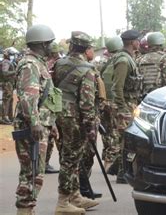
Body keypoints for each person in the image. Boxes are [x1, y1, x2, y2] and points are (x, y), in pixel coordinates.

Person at [13, 24, 59, 215]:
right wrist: (35, 123)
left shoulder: (38, 63)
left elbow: (45, 99)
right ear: (41, 44)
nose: (52, 46)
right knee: (31, 174)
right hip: (31, 128)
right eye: (49, 43)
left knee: (35, 173)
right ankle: (24, 211)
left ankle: (28, 210)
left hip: (39, 124)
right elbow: (27, 98)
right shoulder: (30, 65)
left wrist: (52, 123)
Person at [53, 31, 100, 213]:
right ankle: (63, 202)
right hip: (74, 117)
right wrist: (90, 126)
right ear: (87, 48)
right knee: (71, 159)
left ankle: (75, 196)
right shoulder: (87, 68)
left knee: (67, 155)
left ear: (71, 45)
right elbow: (87, 101)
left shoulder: (59, 63)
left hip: (58, 113)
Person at [112, 29, 142, 184]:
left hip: (131, 103)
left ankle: (120, 170)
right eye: (138, 39)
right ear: (132, 42)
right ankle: (121, 173)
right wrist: (122, 108)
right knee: (125, 140)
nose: (140, 42)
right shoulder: (123, 60)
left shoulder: (130, 58)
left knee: (127, 140)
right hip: (125, 105)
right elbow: (117, 87)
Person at [99, 36, 123, 175]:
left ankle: (107, 161)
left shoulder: (106, 64)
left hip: (105, 103)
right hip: (115, 103)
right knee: (115, 134)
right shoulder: (121, 62)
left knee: (107, 134)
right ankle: (111, 163)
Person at [137, 32, 166, 98]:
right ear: (160, 44)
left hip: (142, 95)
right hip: (159, 95)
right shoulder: (164, 58)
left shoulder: (140, 59)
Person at [45, 42, 61, 174]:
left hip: (52, 101)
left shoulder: (53, 63)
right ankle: (45, 162)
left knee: (51, 133)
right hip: (53, 102)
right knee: (53, 133)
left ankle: (45, 162)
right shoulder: (53, 63)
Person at [1, 47, 17, 124]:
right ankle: (4, 117)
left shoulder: (8, 62)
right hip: (7, 84)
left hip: (9, 84)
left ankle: (10, 117)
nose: (13, 56)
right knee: (6, 101)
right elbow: (4, 73)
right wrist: (15, 71)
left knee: (10, 100)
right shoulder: (6, 62)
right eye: (11, 54)